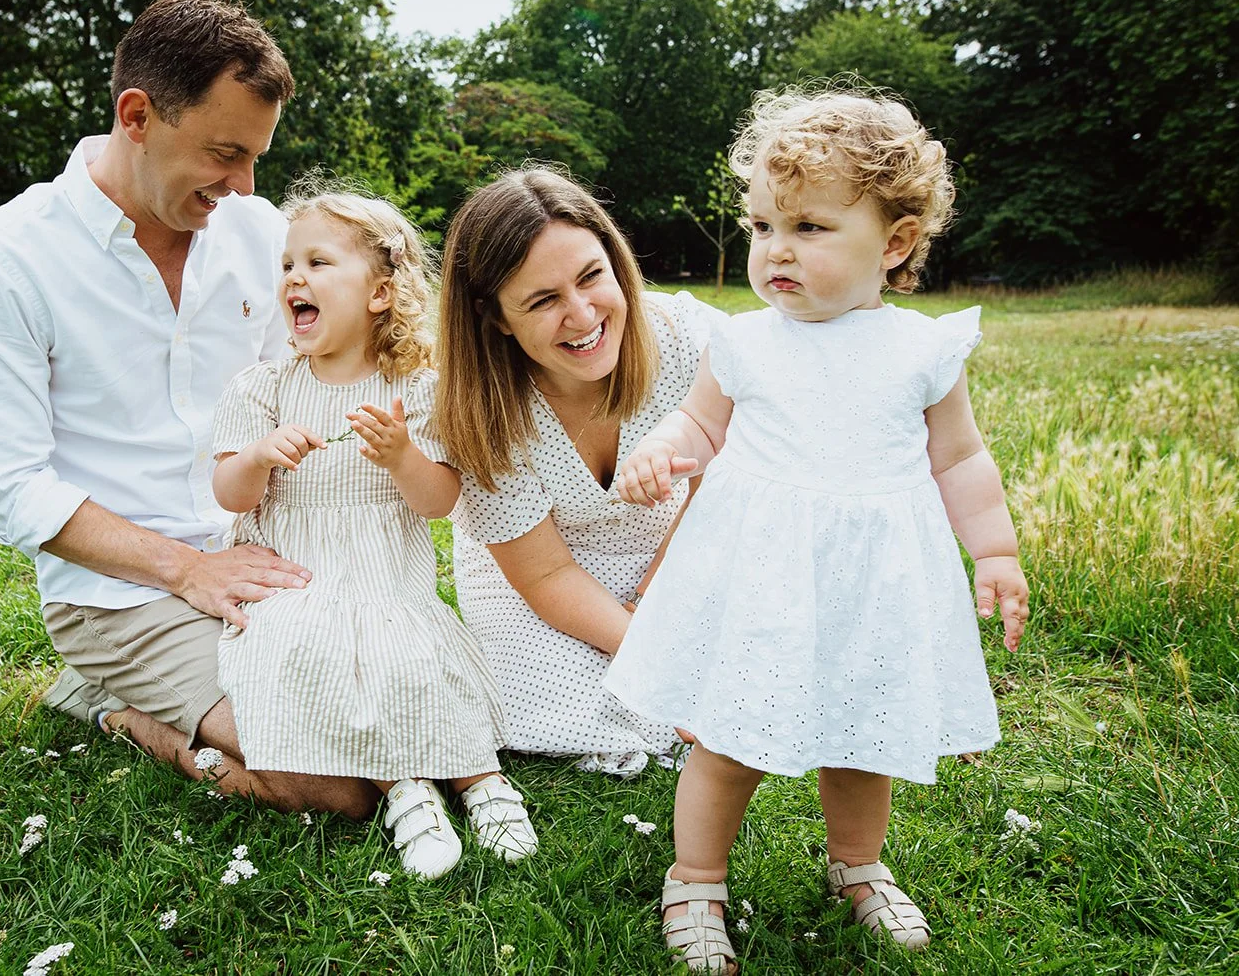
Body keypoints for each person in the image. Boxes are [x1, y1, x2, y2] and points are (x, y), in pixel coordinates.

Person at [604, 87, 1031, 972]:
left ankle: (858, 865)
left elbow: (958, 460)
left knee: (863, 734)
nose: (775, 251)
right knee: (728, 738)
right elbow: (700, 427)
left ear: (898, 242)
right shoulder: (747, 343)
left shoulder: (921, 352)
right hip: (761, 578)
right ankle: (695, 876)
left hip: (872, 581)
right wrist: (663, 451)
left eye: (809, 228)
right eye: (762, 227)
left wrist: (993, 548)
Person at [0, 0, 376, 819]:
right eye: (224, 153)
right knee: (339, 786)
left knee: (408, 716)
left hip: (261, 558)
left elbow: (299, 395)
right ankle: (116, 708)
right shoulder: (6, 256)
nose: (246, 185)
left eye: (256, 156)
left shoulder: (255, 237)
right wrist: (188, 569)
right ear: (137, 116)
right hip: (120, 596)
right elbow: (9, 486)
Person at [209, 188, 535, 878]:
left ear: (381, 293)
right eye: (289, 263)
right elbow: (226, 490)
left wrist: (401, 457)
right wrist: (260, 456)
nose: (295, 277)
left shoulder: (415, 390)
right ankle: (407, 791)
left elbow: (440, 501)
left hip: (387, 573)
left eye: (319, 262)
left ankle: (481, 782)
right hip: (298, 576)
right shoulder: (263, 389)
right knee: (320, 655)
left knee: (413, 660)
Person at [433, 168, 726, 774]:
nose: (582, 314)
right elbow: (544, 574)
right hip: (536, 584)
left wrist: (658, 599)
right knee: (549, 701)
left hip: (679, 552)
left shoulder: (687, 339)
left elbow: (728, 484)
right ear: (496, 318)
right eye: (542, 300)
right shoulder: (482, 409)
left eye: (592, 277)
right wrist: (653, 656)